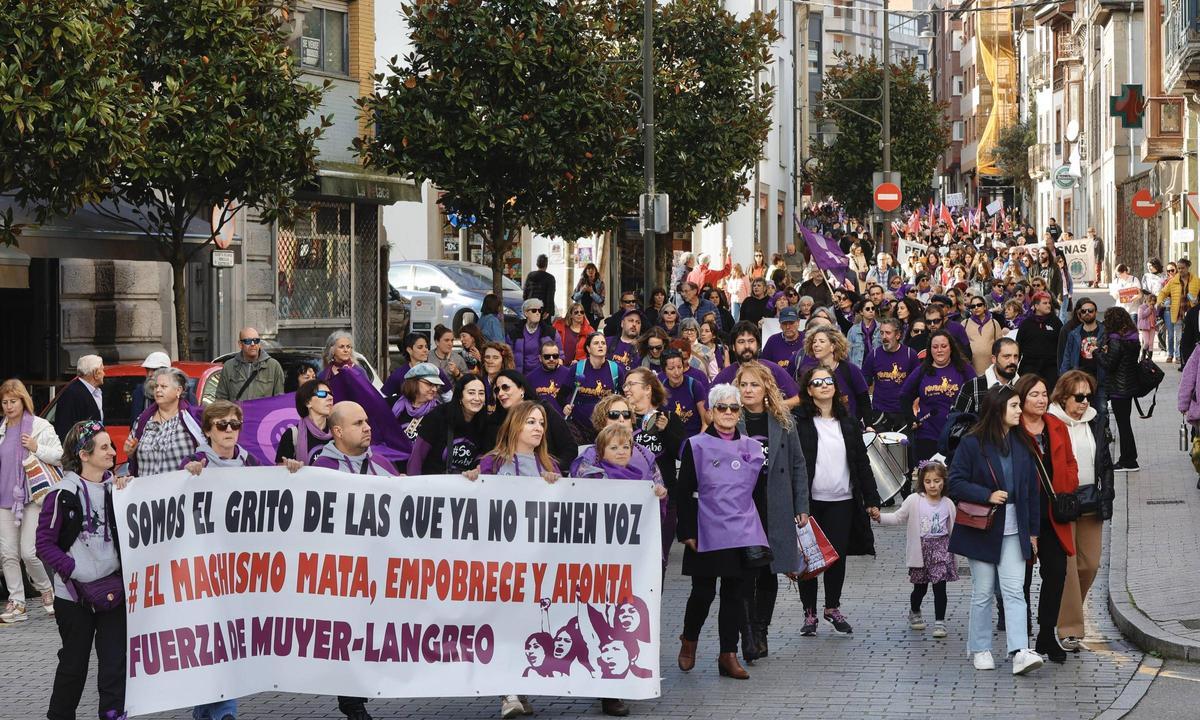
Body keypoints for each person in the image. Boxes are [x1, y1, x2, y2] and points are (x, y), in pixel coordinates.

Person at [467, 400, 561, 719]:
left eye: (541, 423)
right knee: (504, 625)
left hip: (537, 563)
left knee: (527, 626)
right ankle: (508, 693)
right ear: (515, 425)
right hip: (500, 562)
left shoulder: (549, 465)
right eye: (531, 421)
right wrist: (470, 480)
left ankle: (519, 688)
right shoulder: (492, 463)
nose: (538, 428)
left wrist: (557, 487)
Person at [948, 386, 1044, 675]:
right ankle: (980, 648)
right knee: (983, 591)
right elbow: (955, 482)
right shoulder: (972, 443)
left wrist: (1033, 532)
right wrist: (986, 494)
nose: (1019, 410)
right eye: (1014, 405)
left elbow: (1032, 491)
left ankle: (1019, 651)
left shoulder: (1022, 442)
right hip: (983, 526)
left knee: (1015, 590)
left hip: (1015, 526)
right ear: (998, 409)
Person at [36, 421, 127, 720]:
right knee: (74, 665)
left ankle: (112, 714)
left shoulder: (120, 490)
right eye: (104, 447)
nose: (112, 452)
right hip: (74, 597)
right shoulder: (61, 495)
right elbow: (44, 544)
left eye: (111, 446)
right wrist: (73, 569)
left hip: (113, 592)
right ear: (84, 455)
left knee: (114, 663)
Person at [675, 384, 766, 680]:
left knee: (734, 594)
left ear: (740, 413)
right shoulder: (696, 445)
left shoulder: (752, 447)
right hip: (707, 526)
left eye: (733, 408)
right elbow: (683, 490)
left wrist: (764, 533)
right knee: (703, 592)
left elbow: (760, 493)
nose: (728, 412)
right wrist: (686, 530)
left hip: (743, 529)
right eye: (722, 407)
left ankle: (728, 654)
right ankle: (689, 639)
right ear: (712, 412)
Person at [793, 366, 880, 636]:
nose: (824, 386)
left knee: (837, 556)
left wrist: (871, 498)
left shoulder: (849, 422)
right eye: (817, 382)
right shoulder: (799, 422)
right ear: (809, 390)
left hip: (842, 500)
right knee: (809, 558)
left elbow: (861, 462)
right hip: (810, 502)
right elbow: (794, 464)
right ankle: (809, 613)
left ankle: (832, 607)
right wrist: (795, 502)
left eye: (828, 381)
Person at [735, 362, 809, 661]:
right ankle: (747, 632)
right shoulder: (731, 419)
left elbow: (798, 464)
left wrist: (801, 505)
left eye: (754, 384)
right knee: (744, 571)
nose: (748, 390)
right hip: (742, 505)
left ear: (766, 388)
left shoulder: (783, 421)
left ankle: (760, 629)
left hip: (775, 502)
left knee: (768, 571)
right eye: (743, 385)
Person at [1048, 370, 1113, 652]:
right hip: (1063, 503)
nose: (1085, 401)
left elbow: (1105, 463)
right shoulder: (1050, 423)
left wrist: (1107, 496)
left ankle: (1066, 610)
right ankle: (1070, 630)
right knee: (1070, 569)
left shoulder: (1096, 421)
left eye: (1088, 396)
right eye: (1079, 396)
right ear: (1063, 397)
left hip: (1090, 501)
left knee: (1090, 564)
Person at [1015, 374, 1077, 664]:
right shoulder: (1012, 429)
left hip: (1053, 512)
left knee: (1056, 572)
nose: (1041, 400)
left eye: (1044, 394)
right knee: (1022, 578)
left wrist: (1069, 485)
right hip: (1023, 513)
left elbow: (1070, 462)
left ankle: (1046, 633)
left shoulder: (1056, 425)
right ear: (1021, 399)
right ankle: (1021, 636)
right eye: (1034, 395)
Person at [0, 378, 62, 623]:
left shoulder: (39, 426)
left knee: (28, 552)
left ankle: (46, 589)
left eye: (13, 401)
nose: (8, 406)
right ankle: (17, 602)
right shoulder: (2, 430)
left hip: (33, 497)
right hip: (5, 499)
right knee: (7, 554)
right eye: (5, 402)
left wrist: (36, 447)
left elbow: (59, 456)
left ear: (23, 401)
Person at [876, 460, 958, 638]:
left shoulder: (948, 503)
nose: (932, 485)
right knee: (920, 588)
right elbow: (898, 517)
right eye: (928, 481)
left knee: (940, 587)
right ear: (922, 482)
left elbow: (955, 529)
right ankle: (914, 610)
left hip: (941, 549)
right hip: (920, 550)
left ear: (944, 481)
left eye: (937, 481)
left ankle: (940, 622)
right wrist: (879, 517)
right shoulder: (914, 500)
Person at [900, 331, 976, 464]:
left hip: (957, 436)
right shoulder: (922, 370)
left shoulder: (964, 369)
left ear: (951, 348)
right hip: (927, 435)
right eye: (935, 347)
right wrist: (910, 418)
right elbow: (904, 395)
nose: (939, 350)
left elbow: (977, 395)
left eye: (943, 346)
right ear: (930, 350)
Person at [487, 370, 578, 472]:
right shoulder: (494, 422)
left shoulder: (544, 410)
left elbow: (570, 448)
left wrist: (551, 470)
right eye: (497, 390)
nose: (500, 393)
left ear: (522, 389)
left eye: (505, 387)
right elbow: (489, 455)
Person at [126, 367, 203, 477]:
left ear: (178, 390)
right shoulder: (143, 420)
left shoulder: (191, 419)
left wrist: (197, 462)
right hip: (147, 487)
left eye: (163, 386)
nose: (158, 390)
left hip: (180, 487)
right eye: (156, 386)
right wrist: (130, 453)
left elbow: (207, 452)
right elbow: (133, 460)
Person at [407, 375, 489, 475]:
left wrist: (478, 467)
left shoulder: (485, 421)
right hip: (432, 480)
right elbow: (417, 456)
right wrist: (413, 481)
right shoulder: (439, 416)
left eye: (481, 393)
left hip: (466, 482)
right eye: (471, 393)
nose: (477, 398)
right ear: (460, 395)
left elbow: (483, 454)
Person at [711, 322, 801, 407]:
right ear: (733, 347)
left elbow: (798, 398)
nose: (747, 346)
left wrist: (775, 406)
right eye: (741, 342)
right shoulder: (725, 375)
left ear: (758, 345)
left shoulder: (773, 369)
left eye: (751, 341)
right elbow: (708, 409)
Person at [797, 327, 871, 427]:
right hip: (821, 428)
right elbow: (805, 401)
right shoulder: (810, 372)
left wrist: (869, 425)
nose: (816, 345)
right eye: (814, 342)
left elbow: (864, 400)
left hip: (849, 428)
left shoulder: (850, 369)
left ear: (832, 346)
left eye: (822, 341)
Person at [1097, 307, 1142, 470]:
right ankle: (1129, 458)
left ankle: (1128, 461)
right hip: (1129, 386)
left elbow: (1110, 364)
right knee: (1125, 423)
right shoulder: (1133, 338)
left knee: (1123, 425)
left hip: (1118, 388)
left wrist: (1097, 353)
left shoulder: (1115, 340)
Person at [312, 401, 399, 475]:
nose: (368, 428)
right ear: (338, 431)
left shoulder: (383, 463)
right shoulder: (321, 469)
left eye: (366, 421)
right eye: (358, 423)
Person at [566, 333, 625, 442]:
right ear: (588, 349)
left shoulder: (616, 370)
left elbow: (624, 398)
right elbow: (562, 395)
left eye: (603, 343)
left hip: (606, 426)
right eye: (596, 343)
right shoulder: (577, 368)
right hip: (579, 426)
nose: (600, 345)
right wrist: (565, 406)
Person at [863, 318, 920, 429]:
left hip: (903, 412)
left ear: (898, 335)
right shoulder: (874, 355)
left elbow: (919, 383)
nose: (884, 337)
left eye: (888, 333)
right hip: (880, 412)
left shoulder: (910, 354)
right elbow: (864, 383)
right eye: (882, 333)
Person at [389, 363, 444, 464]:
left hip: (423, 468)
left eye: (436, 385)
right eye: (429, 384)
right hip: (393, 464)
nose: (434, 389)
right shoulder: (392, 404)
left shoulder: (440, 412)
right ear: (414, 382)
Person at [276, 379, 335, 468]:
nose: (330, 398)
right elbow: (279, 470)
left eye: (331, 394)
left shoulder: (338, 432)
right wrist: (289, 466)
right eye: (322, 394)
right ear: (307, 402)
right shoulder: (292, 434)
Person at [215, 327, 285, 401]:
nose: (253, 344)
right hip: (237, 409)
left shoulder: (273, 366)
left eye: (256, 341)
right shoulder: (229, 367)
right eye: (248, 341)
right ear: (240, 344)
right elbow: (220, 399)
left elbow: (279, 400)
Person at [953, 338, 1021, 414]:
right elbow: (956, 418)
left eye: (1015, 356)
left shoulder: (1024, 387)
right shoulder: (972, 387)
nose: (1012, 361)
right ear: (994, 359)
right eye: (1007, 356)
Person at [1015, 292, 1063, 388]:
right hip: (1030, 367)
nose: (1048, 305)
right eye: (1045, 303)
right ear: (1036, 306)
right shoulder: (1026, 324)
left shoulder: (1056, 322)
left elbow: (1062, 346)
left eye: (1049, 303)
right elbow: (1018, 346)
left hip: (1051, 368)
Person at [53, 354, 105, 441]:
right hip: (81, 448)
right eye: (102, 370)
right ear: (95, 373)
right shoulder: (71, 393)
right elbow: (64, 430)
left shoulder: (96, 392)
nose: (104, 373)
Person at [1157, 258, 1199, 364]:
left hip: (1192, 313)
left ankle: (1191, 357)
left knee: (1192, 336)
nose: (1180, 270)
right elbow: (1163, 292)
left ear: (1187, 268)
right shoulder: (1173, 281)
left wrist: (1197, 301)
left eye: (1182, 268)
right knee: (1178, 336)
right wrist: (1160, 301)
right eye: (1179, 268)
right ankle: (1178, 356)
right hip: (1178, 313)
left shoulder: (1196, 280)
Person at [383, 332, 451, 397]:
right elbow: (383, 398)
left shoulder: (436, 371)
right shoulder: (398, 374)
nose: (425, 350)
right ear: (409, 350)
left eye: (426, 347)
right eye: (420, 347)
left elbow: (449, 398)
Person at [661, 350, 709, 436]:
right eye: (671, 369)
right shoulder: (661, 388)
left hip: (693, 438)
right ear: (664, 371)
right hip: (670, 439)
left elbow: (705, 422)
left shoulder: (695, 386)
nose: (677, 372)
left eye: (679, 367)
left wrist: (697, 441)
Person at [510, 298, 559, 375]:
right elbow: (508, 356)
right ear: (526, 313)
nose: (537, 313)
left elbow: (560, 354)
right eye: (534, 310)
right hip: (521, 375)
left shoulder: (550, 332)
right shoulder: (514, 333)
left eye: (539, 310)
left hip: (544, 374)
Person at [526, 338, 575, 415]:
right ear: (540, 358)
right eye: (547, 356)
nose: (551, 359)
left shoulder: (569, 374)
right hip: (542, 420)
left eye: (555, 356)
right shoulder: (530, 378)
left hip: (564, 420)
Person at [963, 294, 1006, 375]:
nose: (976, 308)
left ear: (985, 307)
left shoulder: (994, 323)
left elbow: (1000, 346)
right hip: (971, 369)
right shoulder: (965, 323)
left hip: (991, 369)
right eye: (973, 306)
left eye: (979, 305)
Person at [129, 351, 172, 424]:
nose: (149, 374)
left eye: (154, 370)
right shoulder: (139, 392)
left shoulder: (179, 393)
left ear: (166, 371)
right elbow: (135, 423)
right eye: (147, 370)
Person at [760, 306, 805, 372]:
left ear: (798, 322)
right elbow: (763, 366)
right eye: (784, 323)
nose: (788, 327)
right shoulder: (772, 341)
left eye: (791, 323)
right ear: (780, 324)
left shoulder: (806, 339)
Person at [479, 342, 516, 411]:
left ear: (503, 361)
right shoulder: (478, 383)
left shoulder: (513, 383)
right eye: (487, 357)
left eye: (495, 358)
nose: (490, 361)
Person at [846, 299, 881, 367]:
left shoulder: (881, 328)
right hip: (859, 367)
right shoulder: (853, 330)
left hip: (878, 366)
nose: (871, 311)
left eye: (873, 308)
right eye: (867, 309)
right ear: (861, 312)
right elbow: (848, 353)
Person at [573, 263, 606, 327]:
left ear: (595, 271)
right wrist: (582, 291)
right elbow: (575, 297)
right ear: (585, 271)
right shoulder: (581, 282)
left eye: (592, 269)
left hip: (594, 313)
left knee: (592, 331)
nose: (591, 271)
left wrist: (592, 292)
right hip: (581, 312)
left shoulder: (600, 283)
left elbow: (601, 300)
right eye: (588, 269)